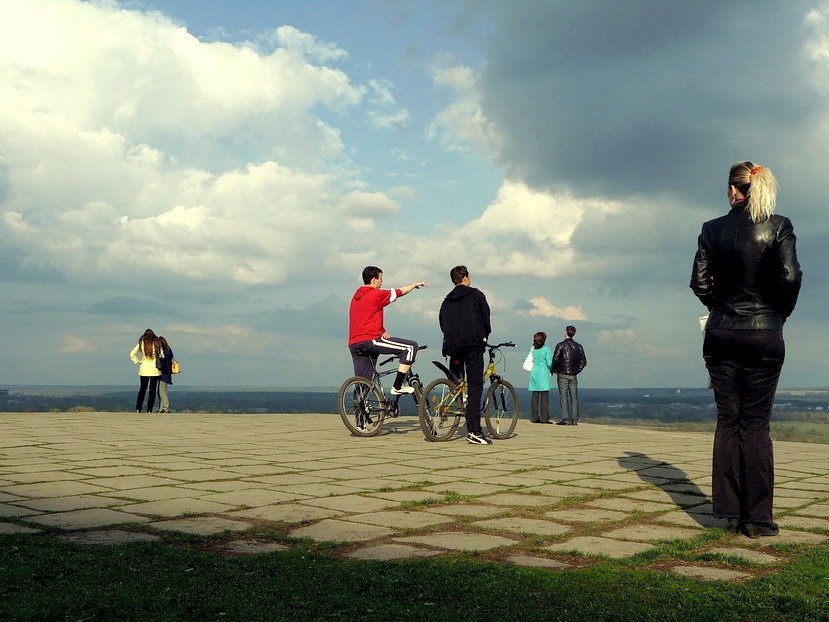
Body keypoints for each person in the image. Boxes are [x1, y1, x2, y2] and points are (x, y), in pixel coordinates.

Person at [690, 161, 801, 539]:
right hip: (764, 332)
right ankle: (757, 518)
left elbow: (699, 283)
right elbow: (790, 275)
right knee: (755, 424)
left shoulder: (711, 229)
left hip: (721, 332)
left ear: (731, 190)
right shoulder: (779, 225)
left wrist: (720, 310)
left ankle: (729, 512)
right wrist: (776, 315)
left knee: (728, 420)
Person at [348, 266, 427, 394]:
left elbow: (365, 318)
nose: (382, 281)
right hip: (370, 340)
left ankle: (360, 411)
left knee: (363, 383)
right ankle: (397, 386)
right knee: (411, 347)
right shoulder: (376, 294)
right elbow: (399, 291)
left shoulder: (356, 296)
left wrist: (382, 329)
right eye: (381, 278)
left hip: (354, 343)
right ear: (374, 280)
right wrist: (414, 285)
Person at [438, 265, 492, 445]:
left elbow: (443, 323)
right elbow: (486, 318)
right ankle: (475, 431)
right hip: (473, 346)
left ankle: (457, 404)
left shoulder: (447, 300)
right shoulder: (476, 295)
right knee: (475, 386)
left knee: (458, 382)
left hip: (453, 348)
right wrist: (484, 336)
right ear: (466, 277)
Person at [552, 325, 586, 425]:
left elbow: (555, 359)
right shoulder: (579, 346)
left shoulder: (560, 345)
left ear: (566, 332)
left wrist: (554, 370)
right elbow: (583, 361)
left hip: (562, 373)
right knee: (574, 397)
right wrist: (576, 370)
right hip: (573, 374)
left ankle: (566, 419)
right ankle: (574, 419)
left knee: (563, 396)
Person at [129, 329, 162, 413]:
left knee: (142, 389)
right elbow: (162, 355)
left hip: (144, 369)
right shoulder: (157, 343)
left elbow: (132, 353)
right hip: (154, 369)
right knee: (152, 390)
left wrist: (138, 361)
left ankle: (138, 408)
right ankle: (149, 410)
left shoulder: (141, 343)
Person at [528, 332, 554, 424]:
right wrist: (552, 370)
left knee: (534, 397)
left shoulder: (533, 349)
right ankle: (544, 418)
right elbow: (549, 363)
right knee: (544, 397)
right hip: (543, 374)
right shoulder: (546, 349)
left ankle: (534, 418)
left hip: (534, 373)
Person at [156, 336, 175, 413]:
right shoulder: (168, 350)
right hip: (166, 373)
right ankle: (161, 408)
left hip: (164, 374)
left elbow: (163, 363)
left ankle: (166, 408)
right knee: (160, 392)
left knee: (162, 392)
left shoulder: (165, 352)